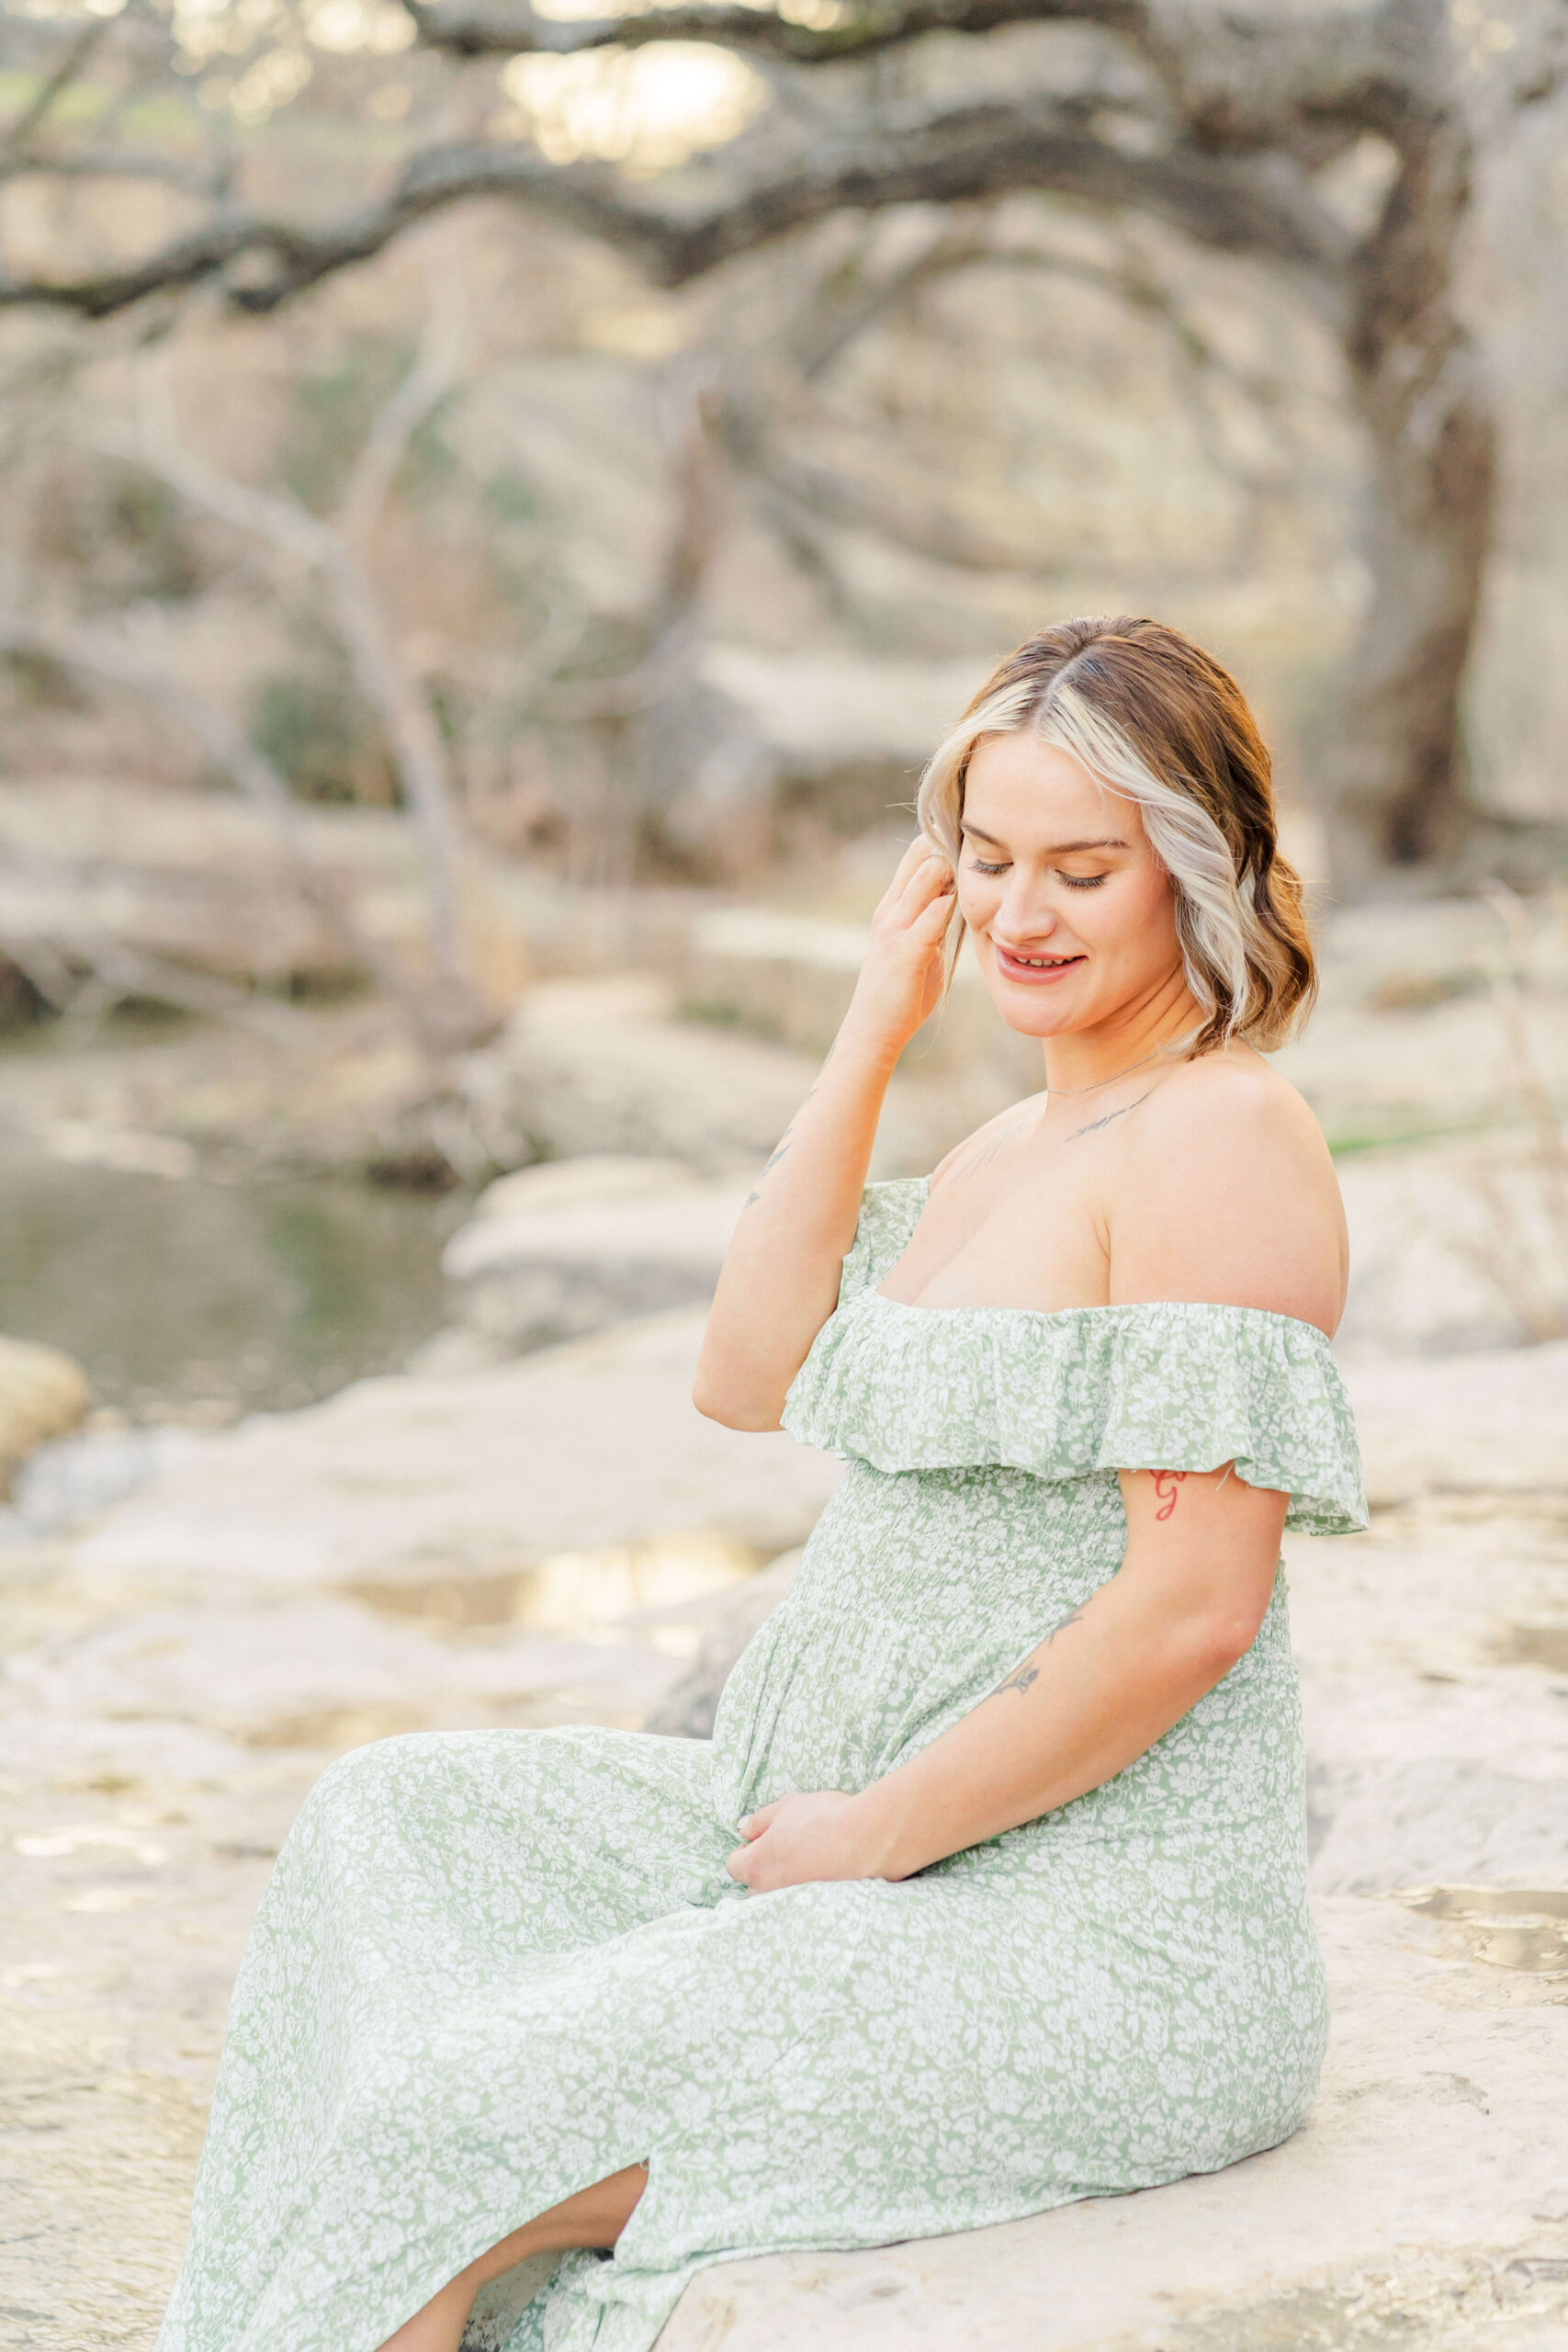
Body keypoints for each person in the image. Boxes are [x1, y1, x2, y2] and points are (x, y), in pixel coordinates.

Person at [155, 616, 1366, 2352]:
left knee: (441, 2129)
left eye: (1082, 871)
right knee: (386, 1825)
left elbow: (1193, 1607)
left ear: (1196, 869)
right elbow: (740, 1373)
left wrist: (876, 1836)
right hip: (822, 1827)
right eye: (987, 857)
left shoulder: (1224, 1138)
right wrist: (871, 1027)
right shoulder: (1004, 1151)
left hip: (1082, 1929)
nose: (1019, 915)